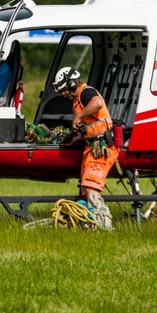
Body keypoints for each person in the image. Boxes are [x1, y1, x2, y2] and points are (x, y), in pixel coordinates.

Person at [53, 67, 119, 230]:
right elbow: (90, 126)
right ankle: (87, 223)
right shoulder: (77, 101)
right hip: (91, 146)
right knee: (85, 188)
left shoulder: (86, 92)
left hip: (101, 146)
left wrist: (79, 116)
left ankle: (104, 225)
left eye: (64, 89)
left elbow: (98, 103)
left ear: (72, 83)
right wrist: (74, 139)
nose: (64, 94)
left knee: (91, 187)